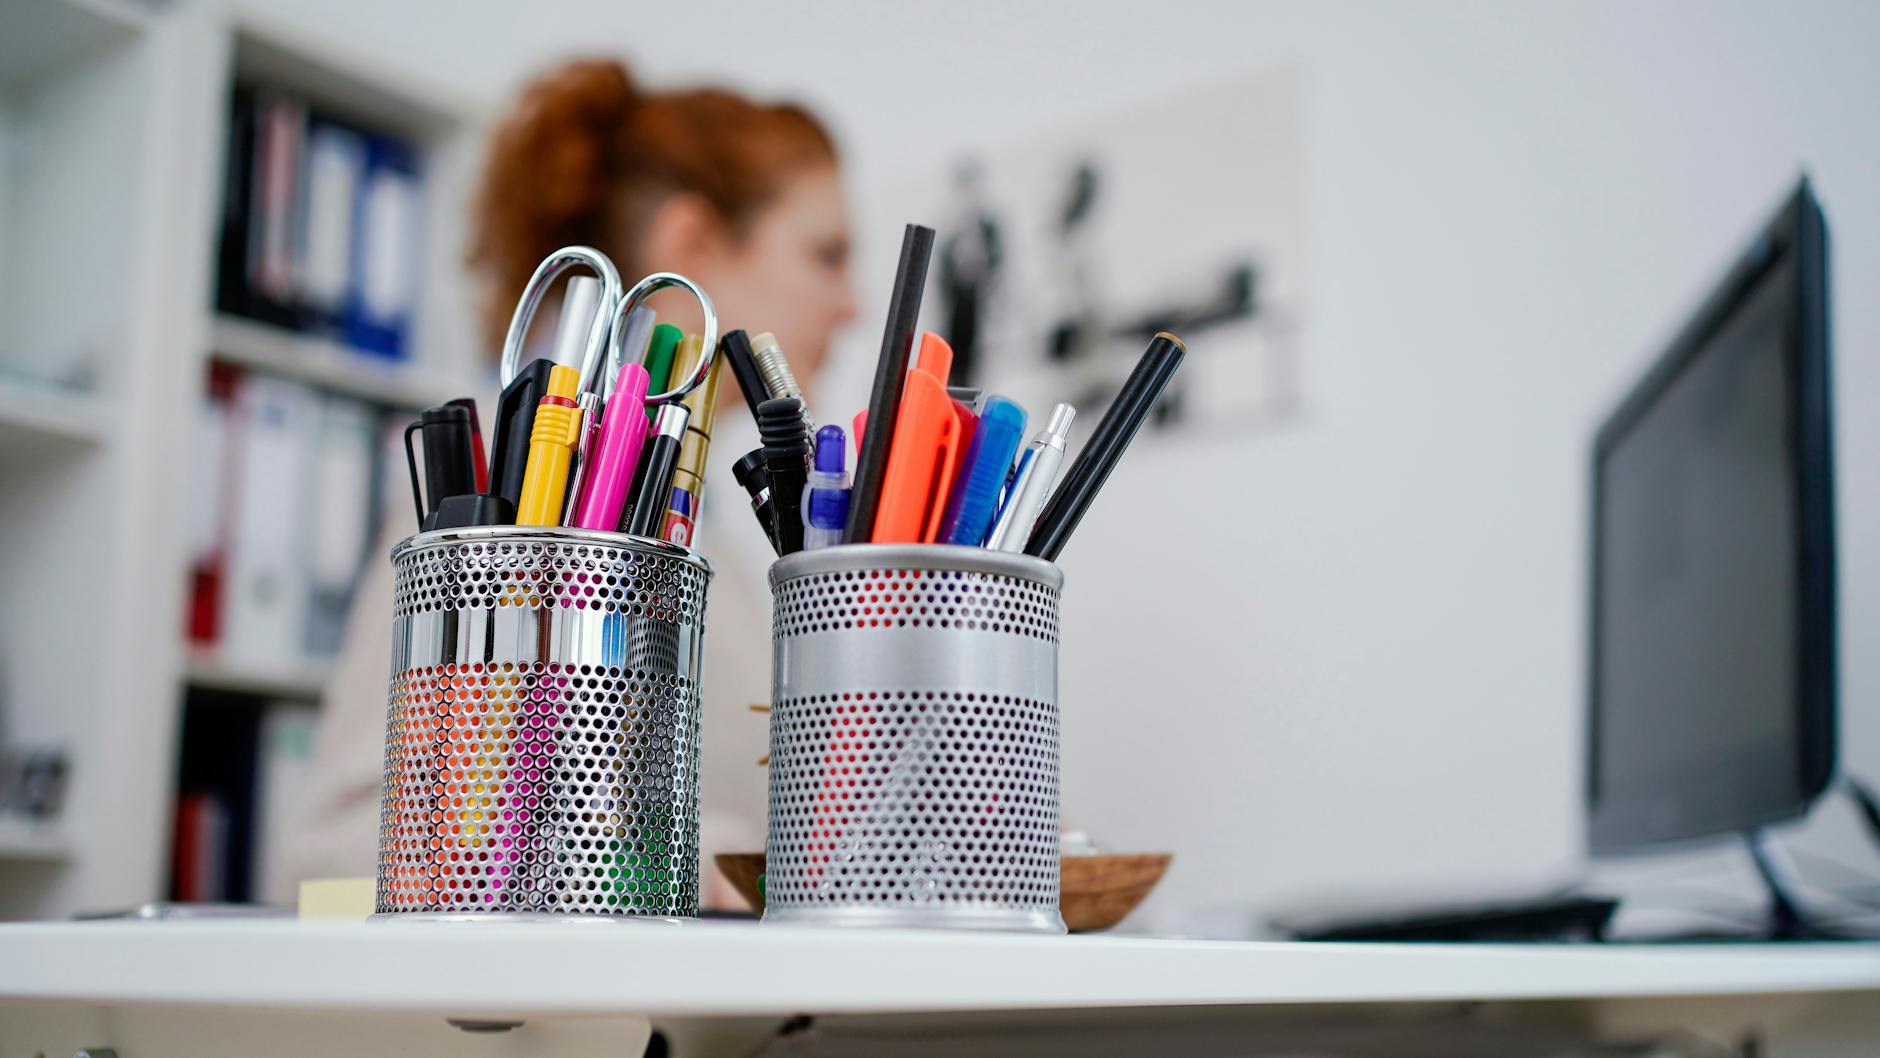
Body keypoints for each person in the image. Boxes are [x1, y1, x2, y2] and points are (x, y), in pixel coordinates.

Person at [287, 57, 857, 907]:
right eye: (827, 253)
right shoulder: (511, 501)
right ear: (691, 242)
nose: (852, 303)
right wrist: (709, 865)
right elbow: (333, 855)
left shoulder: (717, 544)